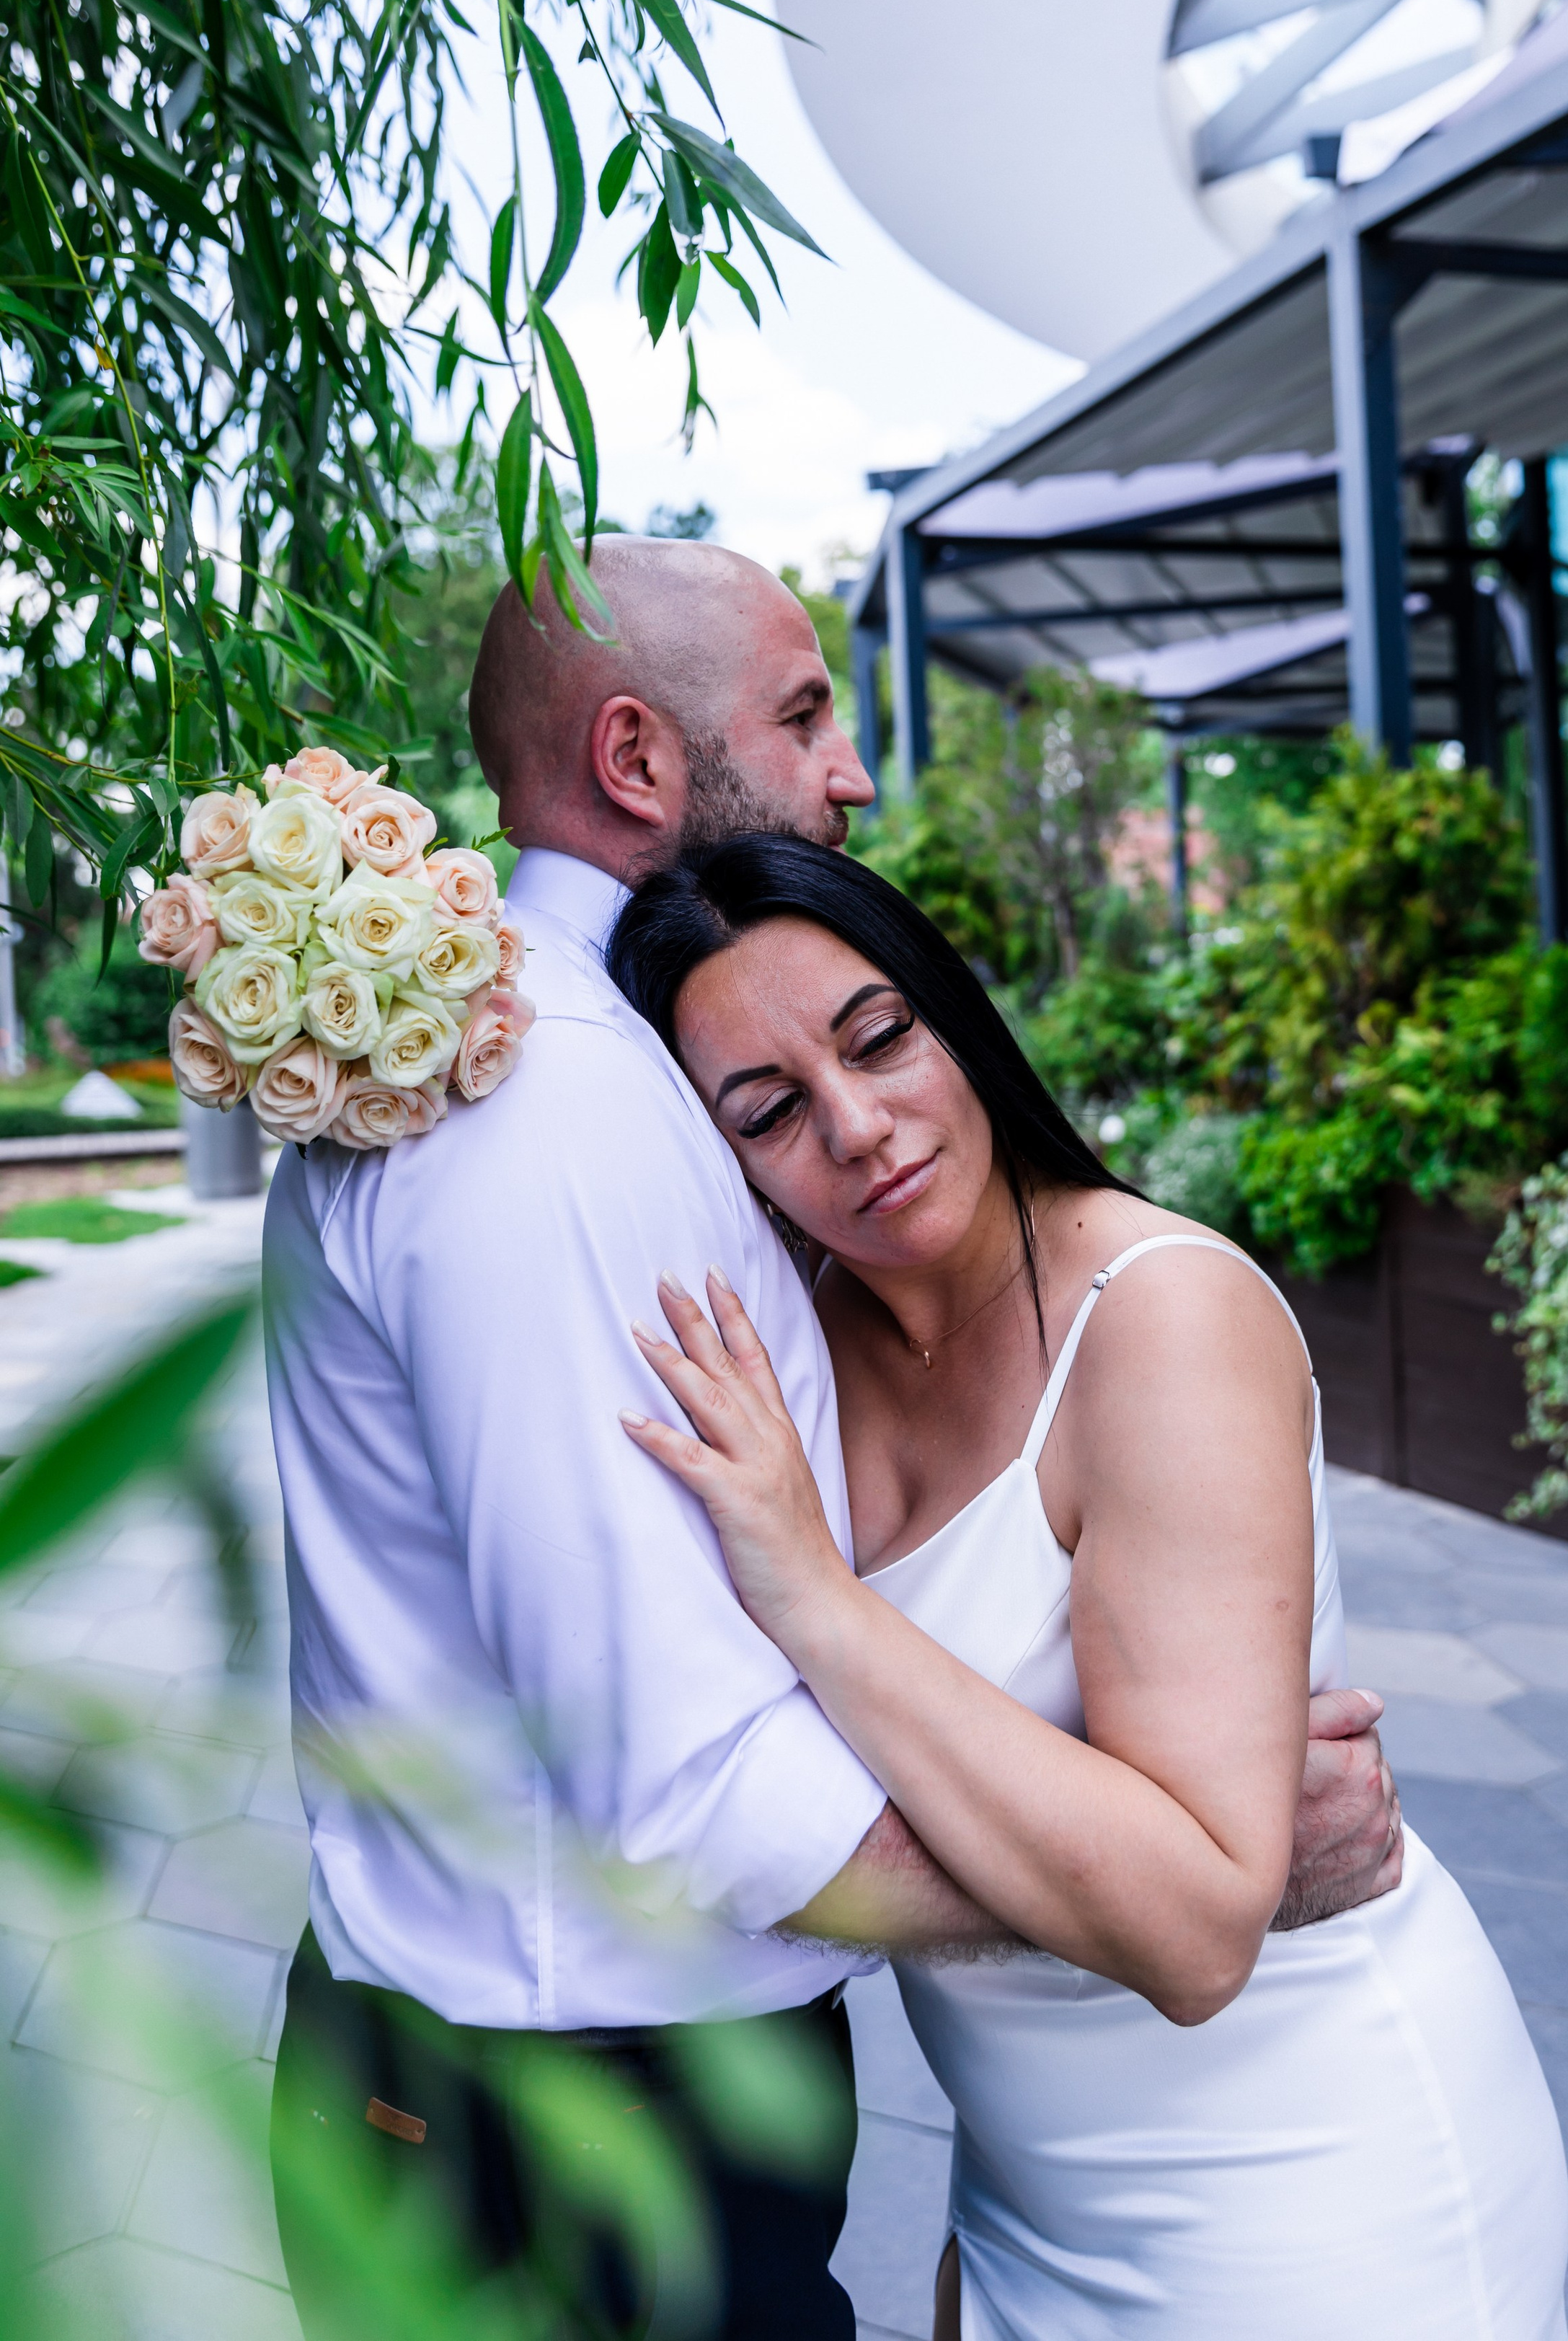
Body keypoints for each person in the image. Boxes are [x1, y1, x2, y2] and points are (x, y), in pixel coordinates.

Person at [262, 536, 1401, 2340]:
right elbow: (696, 1787)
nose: (852, 769)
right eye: (802, 714)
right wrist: (1194, 1876)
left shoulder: (582, 1056)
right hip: (573, 2144)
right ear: (635, 760)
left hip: (543, 2099)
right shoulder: (549, 1105)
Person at [610, 831, 1568, 2341]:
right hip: (1022, 2183)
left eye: (881, 1040)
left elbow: (1193, 1935)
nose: (859, 1128)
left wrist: (811, 1591)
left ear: (953, 1016)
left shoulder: (1156, 1321)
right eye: (773, 1111)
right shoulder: (785, 1352)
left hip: (1311, 2189)